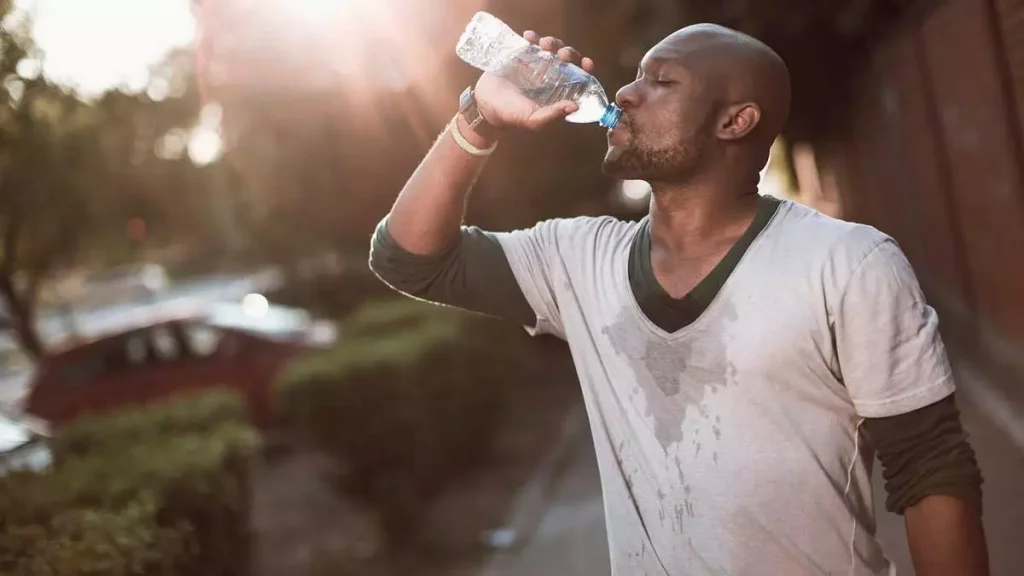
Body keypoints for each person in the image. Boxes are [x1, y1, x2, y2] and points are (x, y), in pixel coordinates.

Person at [369, 23, 989, 575]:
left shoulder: (847, 263)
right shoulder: (577, 260)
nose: (627, 94)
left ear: (734, 121)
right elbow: (408, 259)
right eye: (635, 78)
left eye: (661, 82)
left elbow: (930, 467)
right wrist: (478, 118)